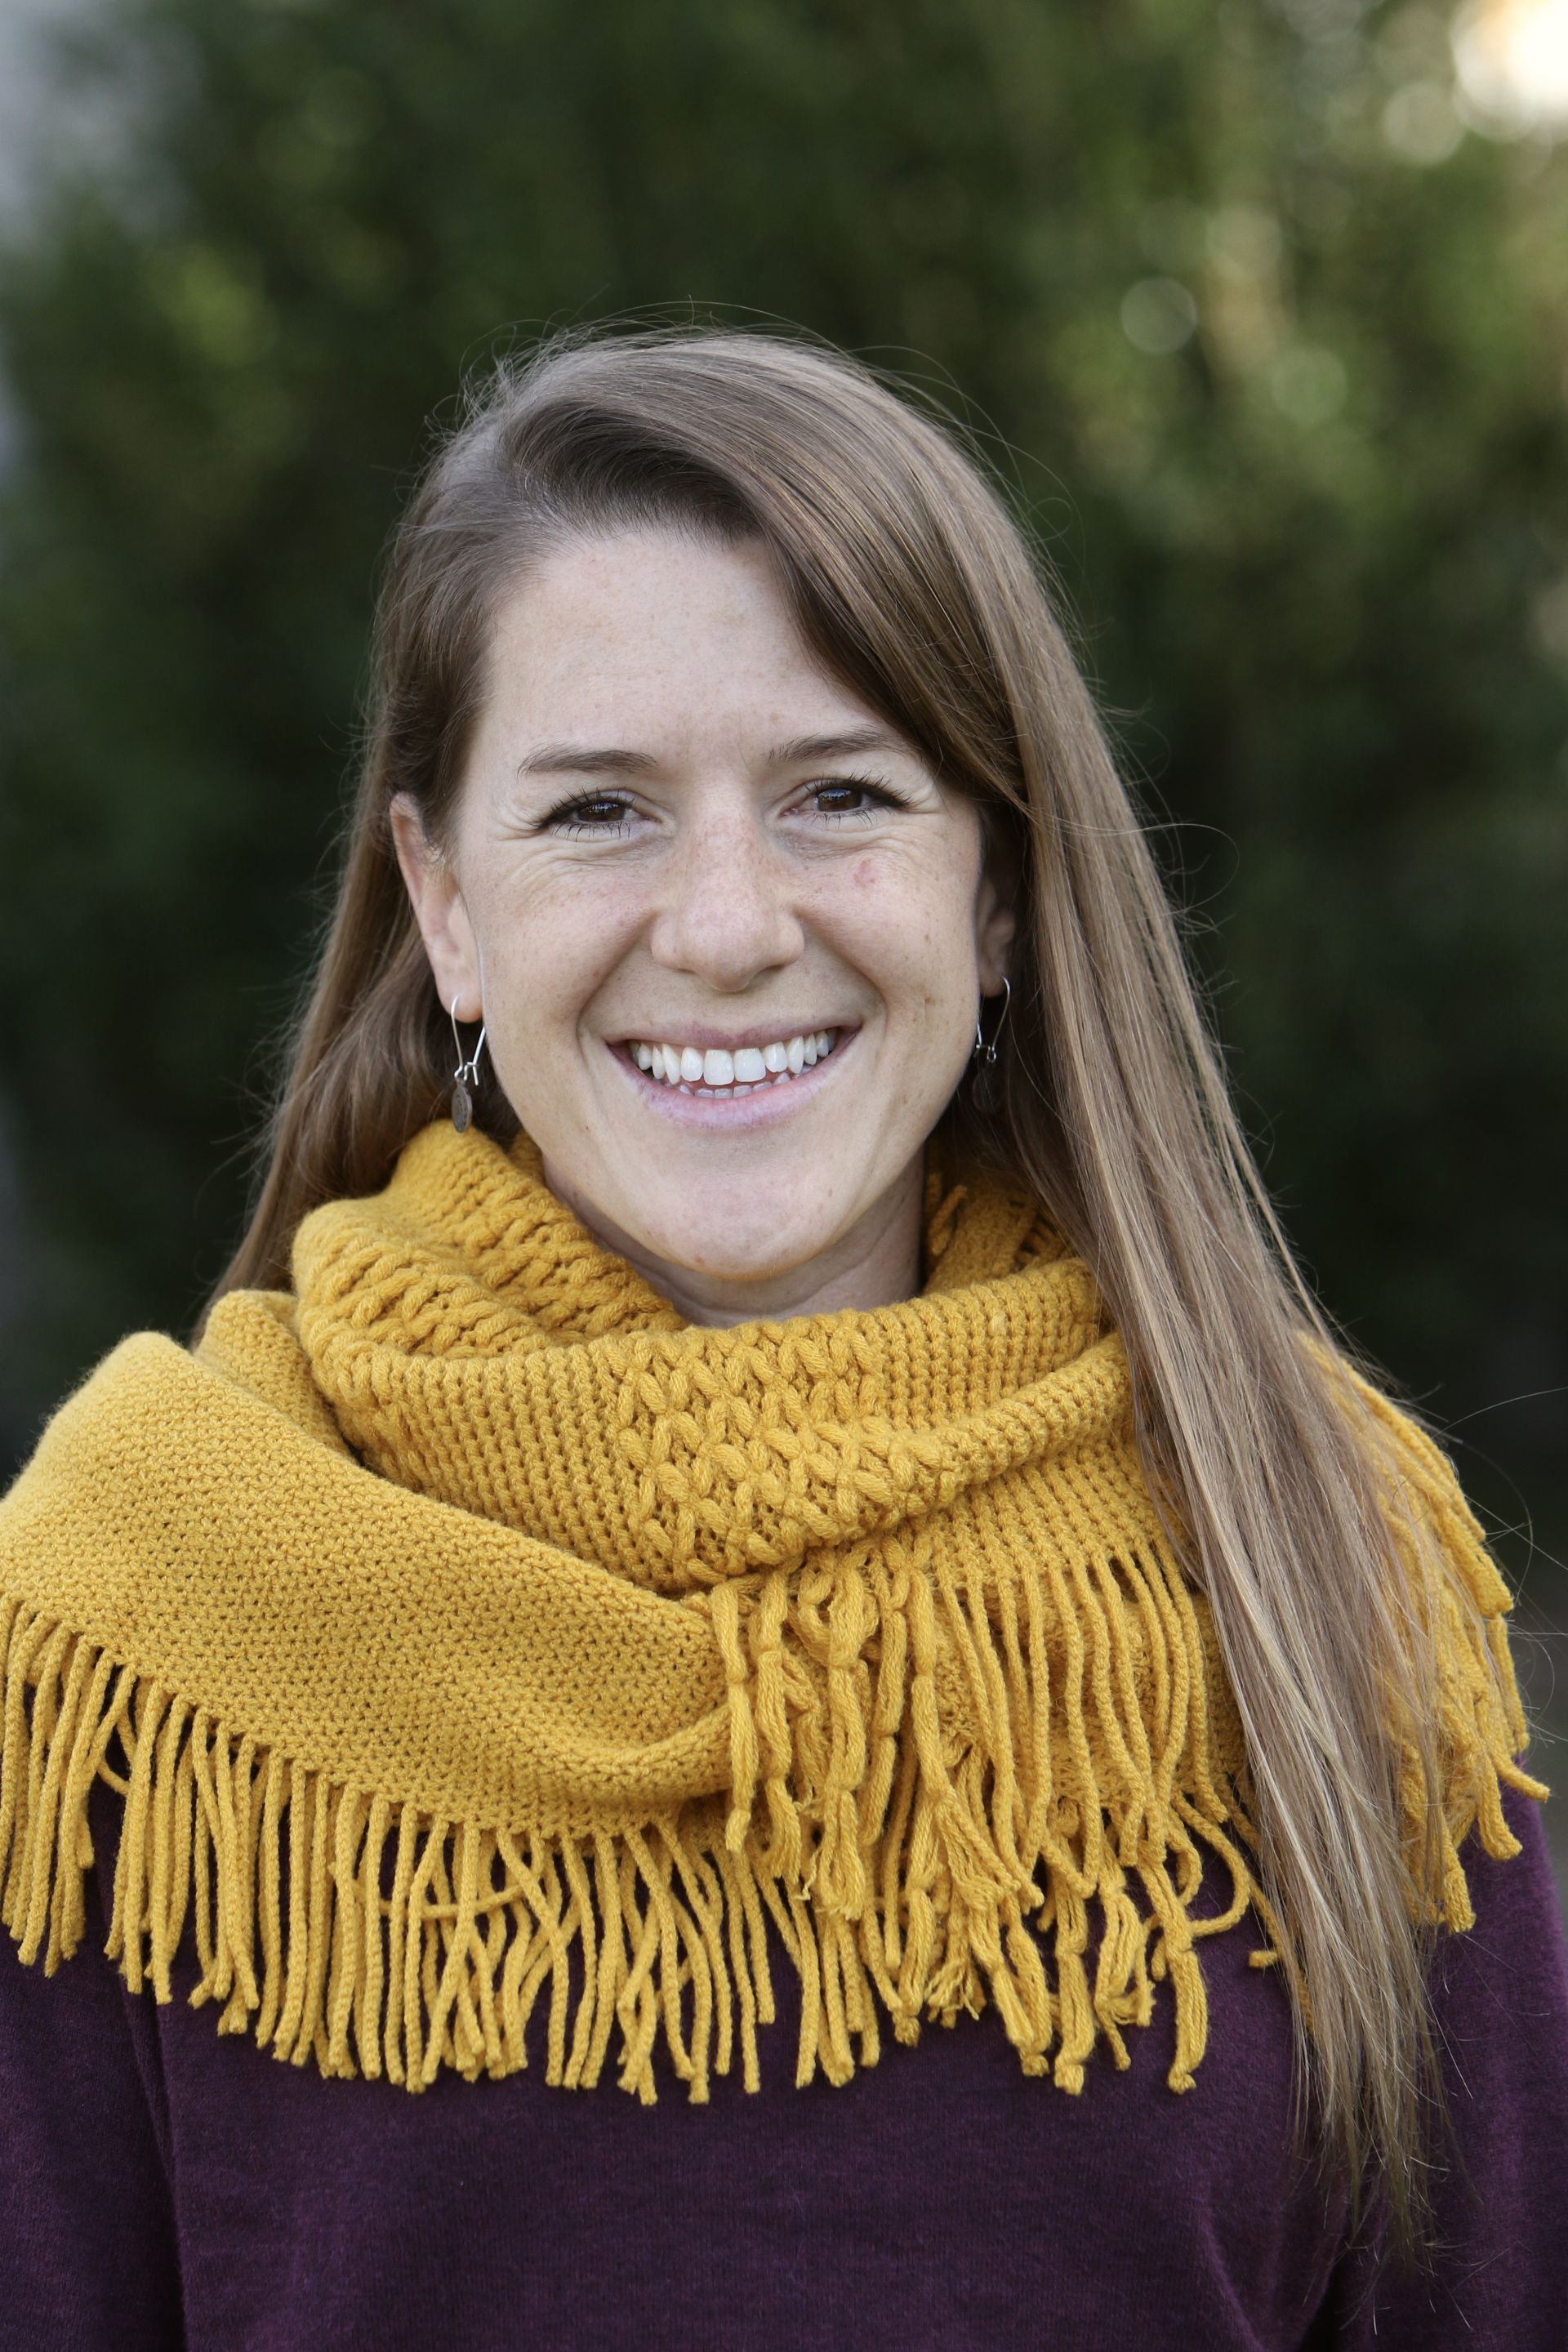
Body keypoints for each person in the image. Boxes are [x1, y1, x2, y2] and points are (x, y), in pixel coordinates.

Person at [0, 327, 1563, 2351]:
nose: (728, 922)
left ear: (995, 891)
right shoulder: (126, 1636)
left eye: (841, 793)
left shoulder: (1312, 1573)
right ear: (444, 905)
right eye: (598, 815)